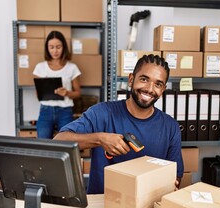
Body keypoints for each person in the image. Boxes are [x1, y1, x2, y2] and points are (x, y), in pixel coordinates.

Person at [54, 54, 184, 194]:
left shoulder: (170, 127)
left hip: (147, 207)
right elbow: (59, 142)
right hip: (102, 207)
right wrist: (100, 139)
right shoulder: (102, 113)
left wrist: (172, 185)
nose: (150, 89)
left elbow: (175, 176)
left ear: (163, 90)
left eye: (158, 84)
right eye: (144, 79)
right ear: (131, 79)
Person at [33, 31, 81, 139]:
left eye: (58, 47)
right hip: (45, 110)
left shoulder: (72, 68)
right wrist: (45, 87)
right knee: (43, 144)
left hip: (65, 111)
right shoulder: (40, 68)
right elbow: (38, 95)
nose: (55, 51)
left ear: (64, 47)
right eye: (51, 47)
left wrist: (67, 93)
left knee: (66, 144)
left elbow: (78, 93)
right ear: (47, 48)